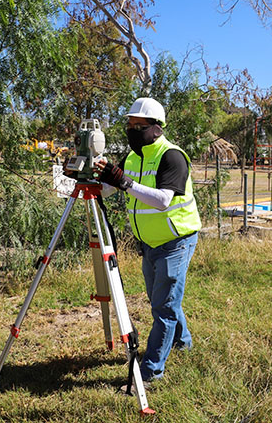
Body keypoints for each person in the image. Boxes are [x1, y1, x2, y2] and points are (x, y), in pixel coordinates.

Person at [95, 97, 201, 385]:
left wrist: (124, 182)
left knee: (163, 307)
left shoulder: (172, 156)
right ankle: (184, 342)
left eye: (137, 126)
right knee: (163, 300)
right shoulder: (132, 157)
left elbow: (164, 200)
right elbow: (110, 189)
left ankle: (150, 370)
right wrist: (86, 181)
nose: (131, 130)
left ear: (156, 127)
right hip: (149, 243)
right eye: (129, 125)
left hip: (175, 240)